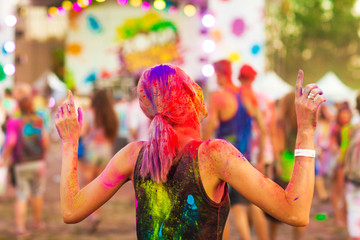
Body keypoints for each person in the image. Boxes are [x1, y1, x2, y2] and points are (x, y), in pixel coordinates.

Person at [55, 64, 325, 239]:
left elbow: (71, 211)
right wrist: (305, 132)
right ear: (190, 97)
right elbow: (295, 212)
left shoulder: (132, 156)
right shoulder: (213, 155)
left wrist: (69, 142)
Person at [202, 60, 268, 240]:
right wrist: (261, 157)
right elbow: (262, 128)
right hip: (246, 159)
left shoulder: (218, 96)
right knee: (251, 206)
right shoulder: (246, 95)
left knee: (222, 212)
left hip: (224, 161)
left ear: (220, 73)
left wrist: (200, 147)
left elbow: (210, 125)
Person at [1, 94, 49, 236]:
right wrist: (43, 156)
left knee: (22, 195)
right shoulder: (39, 121)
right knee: (38, 192)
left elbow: (11, 141)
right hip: (38, 162)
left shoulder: (14, 123)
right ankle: (37, 223)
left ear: (19, 107)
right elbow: (45, 141)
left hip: (21, 163)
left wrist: (2, 158)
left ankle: (21, 229)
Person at [79, 89, 118, 233]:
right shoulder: (111, 114)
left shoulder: (89, 113)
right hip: (105, 151)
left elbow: (82, 132)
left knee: (88, 183)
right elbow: (113, 134)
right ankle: (96, 214)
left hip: (91, 151)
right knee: (100, 185)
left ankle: (90, 214)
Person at [342, 91, 360, 240]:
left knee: (354, 208)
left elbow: (347, 150)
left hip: (354, 174)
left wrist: (345, 168)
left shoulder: (353, 125)